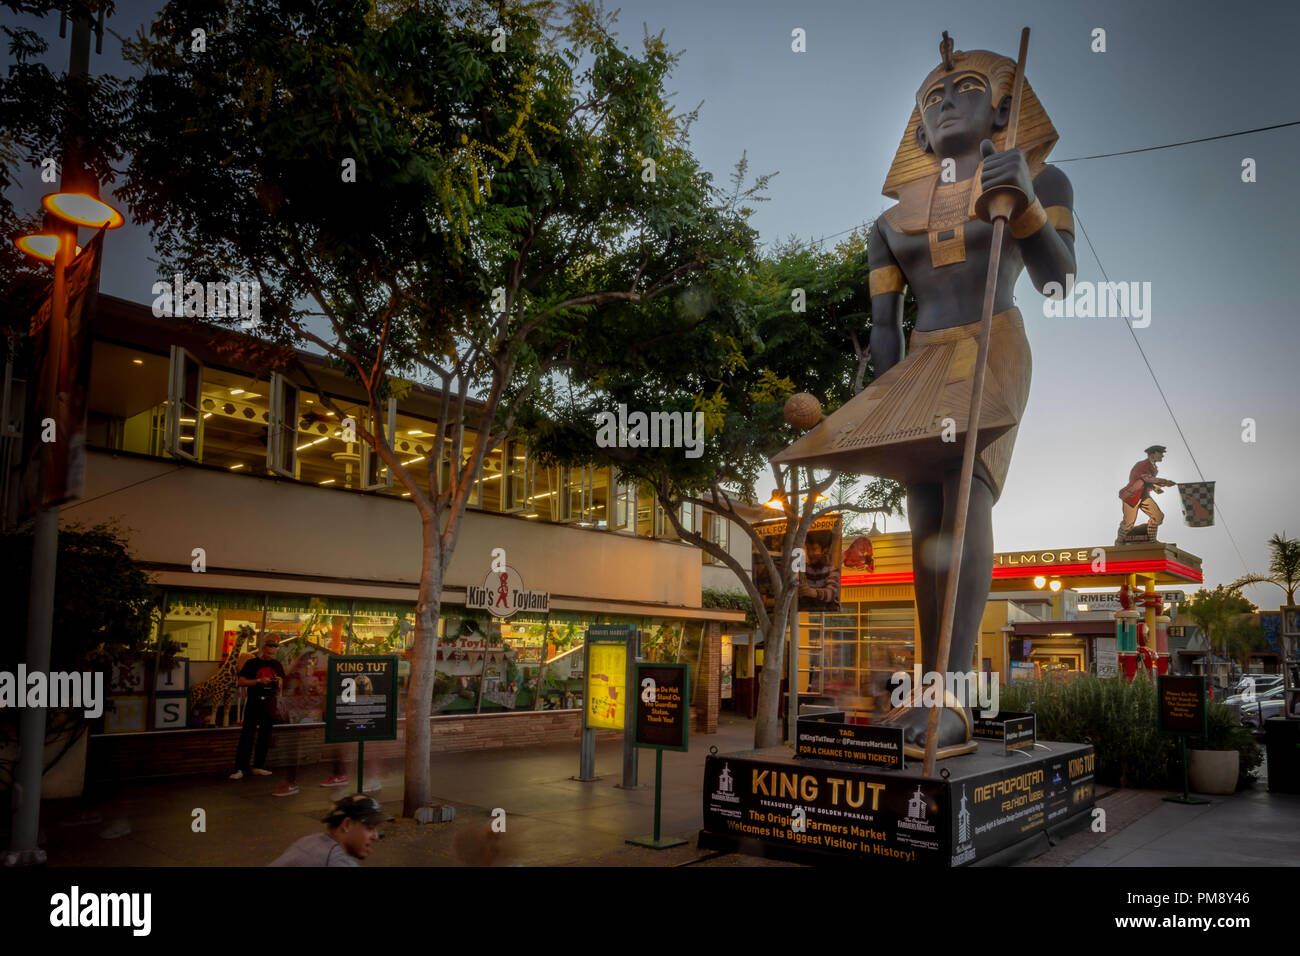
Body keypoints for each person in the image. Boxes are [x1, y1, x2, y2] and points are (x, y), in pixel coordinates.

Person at [774, 33, 1075, 758]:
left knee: (965, 492)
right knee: (926, 522)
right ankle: (933, 693)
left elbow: (1059, 282)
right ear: (916, 129)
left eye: (965, 88)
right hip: (921, 364)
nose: (945, 102)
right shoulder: (887, 224)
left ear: (1003, 106)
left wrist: (1025, 204)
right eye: (932, 97)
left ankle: (953, 695)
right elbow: (885, 325)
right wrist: (872, 406)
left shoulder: (1046, 179)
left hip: (992, 341)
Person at [268, 793, 390, 867]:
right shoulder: (335, 861)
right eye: (369, 828)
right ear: (347, 825)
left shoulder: (309, 841)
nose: (375, 836)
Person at [230, 634, 286, 780]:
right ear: (262, 650)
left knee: (265, 736)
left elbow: (282, 684)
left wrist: (278, 681)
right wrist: (259, 681)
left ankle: (258, 766)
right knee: (247, 735)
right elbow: (241, 682)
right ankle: (240, 768)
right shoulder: (252, 664)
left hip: (269, 702)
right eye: (268, 653)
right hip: (254, 701)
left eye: (272, 654)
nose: (270, 656)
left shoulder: (277, 665)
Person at [1116, 445, 1176, 544]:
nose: (1162, 456)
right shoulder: (1143, 465)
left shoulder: (1153, 467)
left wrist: (1155, 487)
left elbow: (1146, 481)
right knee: (1128, 523)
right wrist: (1164, 482)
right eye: (1160, 453)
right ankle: (1119, 542)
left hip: (1143, 496)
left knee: (1158, 516)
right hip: (1132, 496)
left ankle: (1152, 541)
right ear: (1153, 454)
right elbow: (1146, 478)